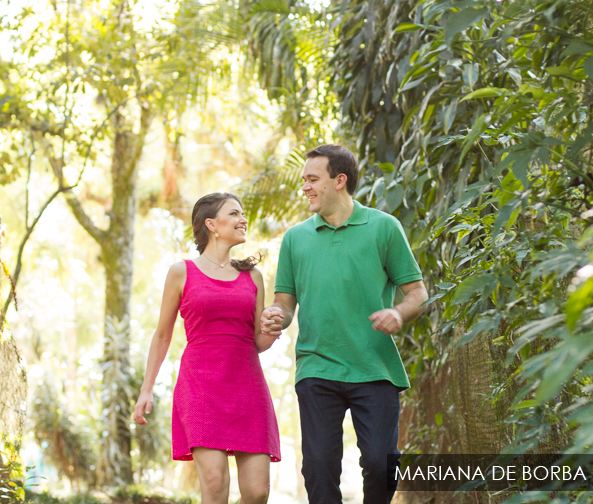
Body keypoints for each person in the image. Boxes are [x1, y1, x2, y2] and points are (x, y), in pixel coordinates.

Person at [260, 144, 428, 504]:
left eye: (312, 179)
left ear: (339, 180)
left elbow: (417, 292)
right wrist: (277, 316)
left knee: (382, 465)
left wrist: (398, 313)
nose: (304, 187)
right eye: (303, 179)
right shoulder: (295, 239)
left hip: (375, 367)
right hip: (317, 366)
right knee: (319, 467)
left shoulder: (383, 228)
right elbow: (284, 303)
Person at [133, 193, 281, 504]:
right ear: (212, 224)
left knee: (257, 493)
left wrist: (273, 329)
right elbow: (162, 335)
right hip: (201, 387)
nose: (244, 220)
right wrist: (146, 389)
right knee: (215, 486)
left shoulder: (252, 276)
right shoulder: (181, 272)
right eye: (235, 213)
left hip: (247, 387)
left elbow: (258, 342)